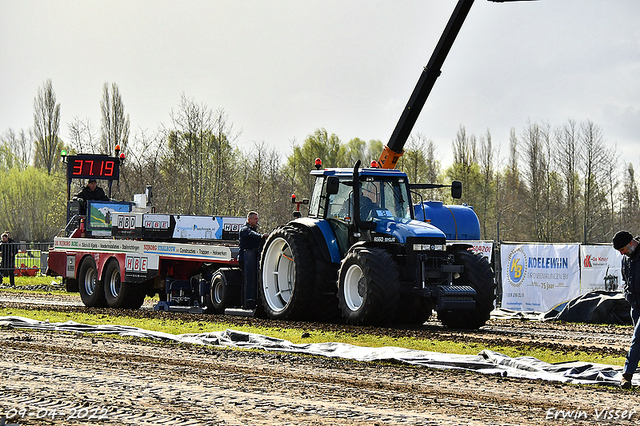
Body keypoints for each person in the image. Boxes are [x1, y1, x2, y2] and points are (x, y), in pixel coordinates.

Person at [613, 230, 640, 389]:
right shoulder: (626, 259)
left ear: (631, 243)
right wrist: (628, 296)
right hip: (635, 306)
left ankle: (627, 375)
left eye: (622, 249)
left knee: (637, 340)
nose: (621, 253)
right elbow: (626, 280)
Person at [238, 211, 268, 310]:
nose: (257, 221)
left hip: (253, 259)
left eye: (257, 219)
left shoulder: (254, 229)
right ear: (249, 219)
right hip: (245, 259)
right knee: (246, 280)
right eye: (255, 219)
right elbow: (251, 234)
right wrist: (260, 236)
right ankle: (245, 303)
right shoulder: (245, 229)